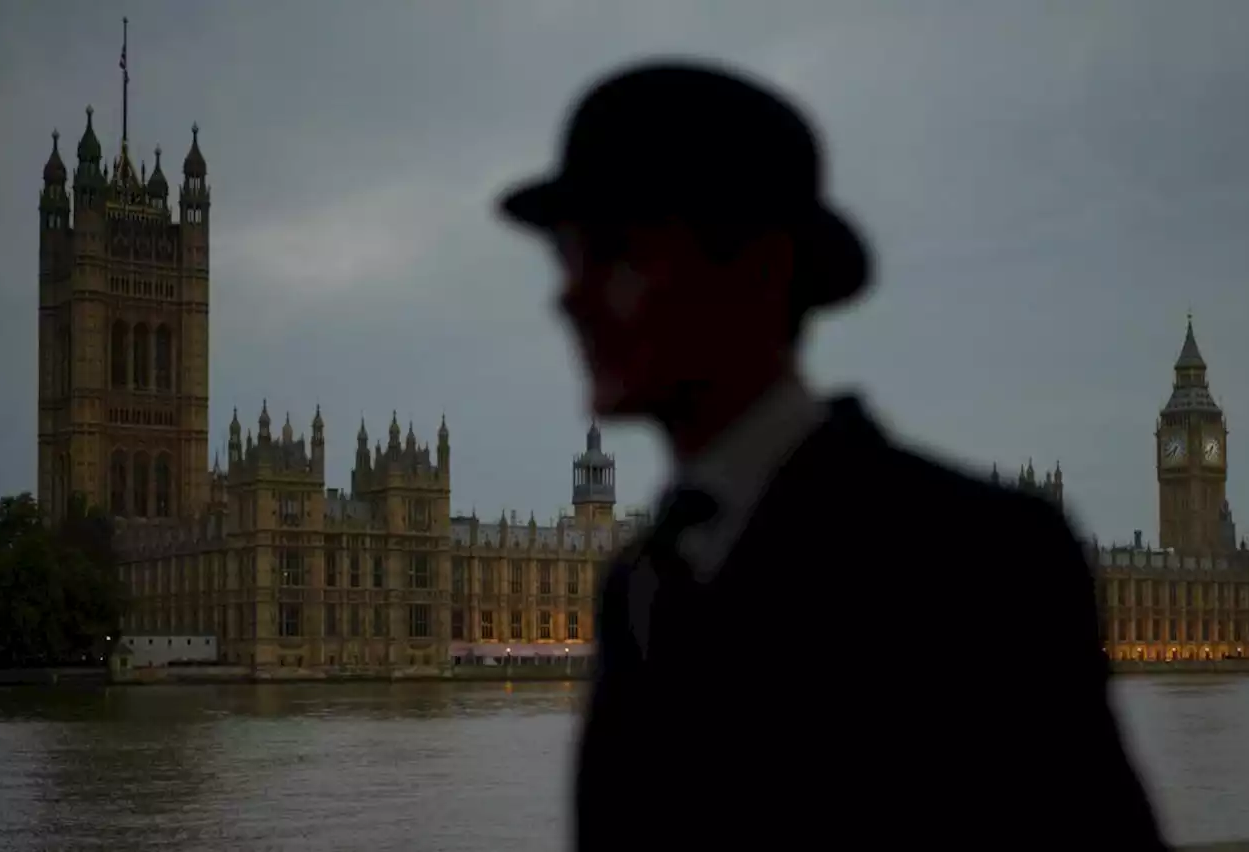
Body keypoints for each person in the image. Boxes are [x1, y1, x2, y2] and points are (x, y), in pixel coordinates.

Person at [496, 59, 1166, 851]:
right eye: (568, 257)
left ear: (762, 268)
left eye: (616, 252)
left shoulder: (981, 553)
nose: (568, 297)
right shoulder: (636, 581)